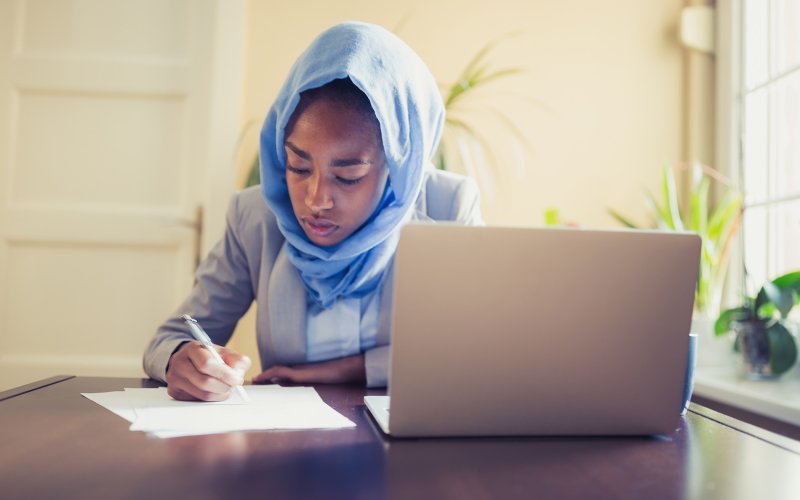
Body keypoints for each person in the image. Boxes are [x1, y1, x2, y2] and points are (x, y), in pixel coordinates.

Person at [143, 21, 483, 401]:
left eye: (348, 176)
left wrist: (340, 371)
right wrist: (184, 359)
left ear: (397, 166)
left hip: (409, 449)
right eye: (298, 168)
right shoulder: (256, 216)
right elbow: (169, 340)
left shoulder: (447, 207)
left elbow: (474, 347)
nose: (315, 199)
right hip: (287, 446)